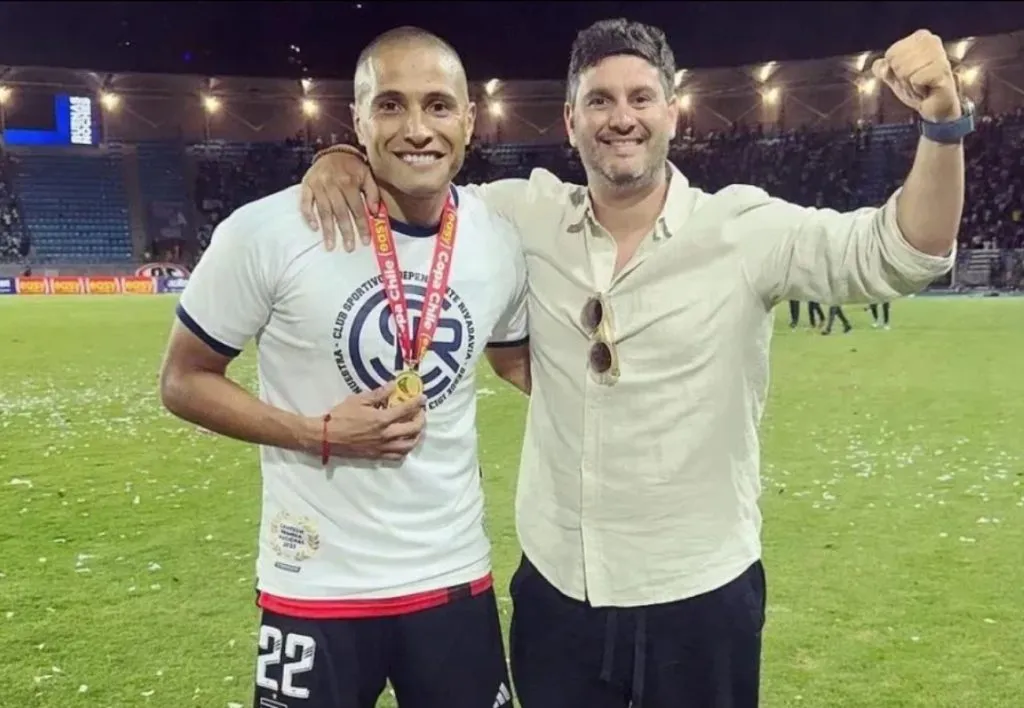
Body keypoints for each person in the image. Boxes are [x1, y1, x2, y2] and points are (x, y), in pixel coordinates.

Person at [298, 20, 964, 708]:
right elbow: (418, 183)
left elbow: (903, 251)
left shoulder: (743, 230)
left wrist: (942, 125)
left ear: (673, 112)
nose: (622, 118)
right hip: (558, 595)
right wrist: (344, 156)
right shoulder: (519, 216)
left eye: (642, 98)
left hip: (700, 595)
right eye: (600, 100)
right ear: (570, 119)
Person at [160, 26, 527, 708]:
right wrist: (317, 434)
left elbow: (518, 359)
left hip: (452, 579)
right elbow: (182, 380)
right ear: (355, 119)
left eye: (438, 105)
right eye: (389, 105)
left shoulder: (498, 242)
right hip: (315, 587)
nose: (417, 128)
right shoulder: (269, 231)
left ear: (470, 121)